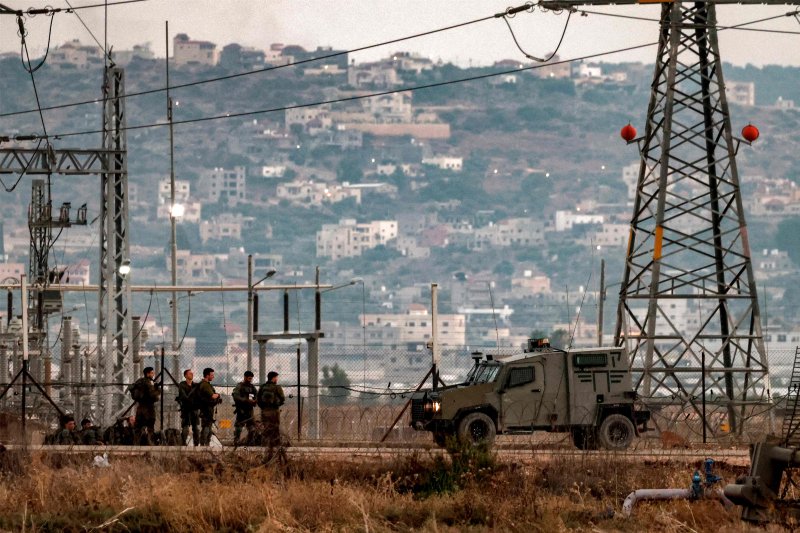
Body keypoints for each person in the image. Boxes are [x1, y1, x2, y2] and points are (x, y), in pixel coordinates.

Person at [130, 367, 161, 445]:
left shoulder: (139, 381)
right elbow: (153, 396)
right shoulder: (149, 382)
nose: (153, 375)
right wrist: (157, 390)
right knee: (150, 427)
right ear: (148, 374)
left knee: (138, 427)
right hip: (149, 408)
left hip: (140, 408)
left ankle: (136, 444)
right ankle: (151, 444)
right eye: (152, 373)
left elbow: (133, 394)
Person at [258, 371, 285, 449]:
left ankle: (265, 443)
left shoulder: (262, 387)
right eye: (276, 377)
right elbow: (282, 399)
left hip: (265, 411)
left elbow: (258, 399)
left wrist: (263, 407)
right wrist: (277, 405)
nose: (277, 379)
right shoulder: (277, 387)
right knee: (275, 427)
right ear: (273, 378)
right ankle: (275, 444)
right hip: (274, 411)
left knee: (265, 427)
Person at [232, 370, 258, 446]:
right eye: (249, 378)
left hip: (250, 410)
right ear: (245, 377)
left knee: (252, 428)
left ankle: (249, 442)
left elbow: (256, 395)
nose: (250, 380)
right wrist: (246, 400)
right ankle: (236, 442)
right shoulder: (240, 386)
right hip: (241, 410)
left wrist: (254, 401)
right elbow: (236, 396)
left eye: (251, 378)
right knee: (239, 428)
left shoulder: (252, 387)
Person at [196, 367, 221, 446]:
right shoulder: (205, 385)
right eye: (212, 375)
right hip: (206, 409)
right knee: (207, 426)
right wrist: (218, 395)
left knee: (208, 427)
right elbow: (213, 396)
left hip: (206, 409)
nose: (213, 376)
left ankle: (205, 443)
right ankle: (203, 444)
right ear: (207, 375)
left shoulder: (204, 384)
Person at [177, 369, 200, 446]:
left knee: (196, 428)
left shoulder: (196, 385)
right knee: (185, 427)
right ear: (186, 375)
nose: (192, 374)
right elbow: (183, 396)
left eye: (192, 373)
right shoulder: (182, 385)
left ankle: (196, 444)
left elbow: (199, 396)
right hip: (186, 409)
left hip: (194, 409)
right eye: (190, 373)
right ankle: (183, 443)